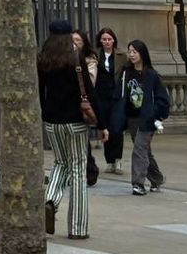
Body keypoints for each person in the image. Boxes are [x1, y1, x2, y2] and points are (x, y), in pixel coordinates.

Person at [37, 19, 94, 240]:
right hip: (75, 121)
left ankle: (50, 200)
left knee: (60, 162)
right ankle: (78, 228)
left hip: (52, 120)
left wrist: (44, 114)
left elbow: (40, 92)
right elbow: (88, 90)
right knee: (79, 169)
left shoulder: (43, 59)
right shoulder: (75, 58)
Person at [113, 38, 170, 195]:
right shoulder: (126, 73)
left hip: (147, 118)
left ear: (142, 53)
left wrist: (156, 114)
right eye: (129, 51)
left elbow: (162, 99)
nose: (131, 55)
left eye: (134, 52)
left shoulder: (152, 75)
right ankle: (157, 178)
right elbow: (119, 94)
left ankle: (137, 183)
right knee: (144, 151)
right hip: (132, 117)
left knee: (139, 149)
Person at [91, 27, 124, 174]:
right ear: (100, 40)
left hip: (116, 96)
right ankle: (109, 161)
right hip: (101, 96)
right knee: (106, 129)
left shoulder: (121, 56)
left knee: (117, 129)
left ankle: (118, 159)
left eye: (109, 39)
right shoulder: (95, 55)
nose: (107, 42)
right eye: (104, 39)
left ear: (114, 40)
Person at [72, 30, 100, 187]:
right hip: (69, 104)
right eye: (72, 40)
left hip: (82, 102)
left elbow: (90, 82)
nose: (74, 43)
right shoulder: (66, 58)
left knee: (83, 140)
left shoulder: (89, 60)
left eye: (78, 40)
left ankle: (89, 169)